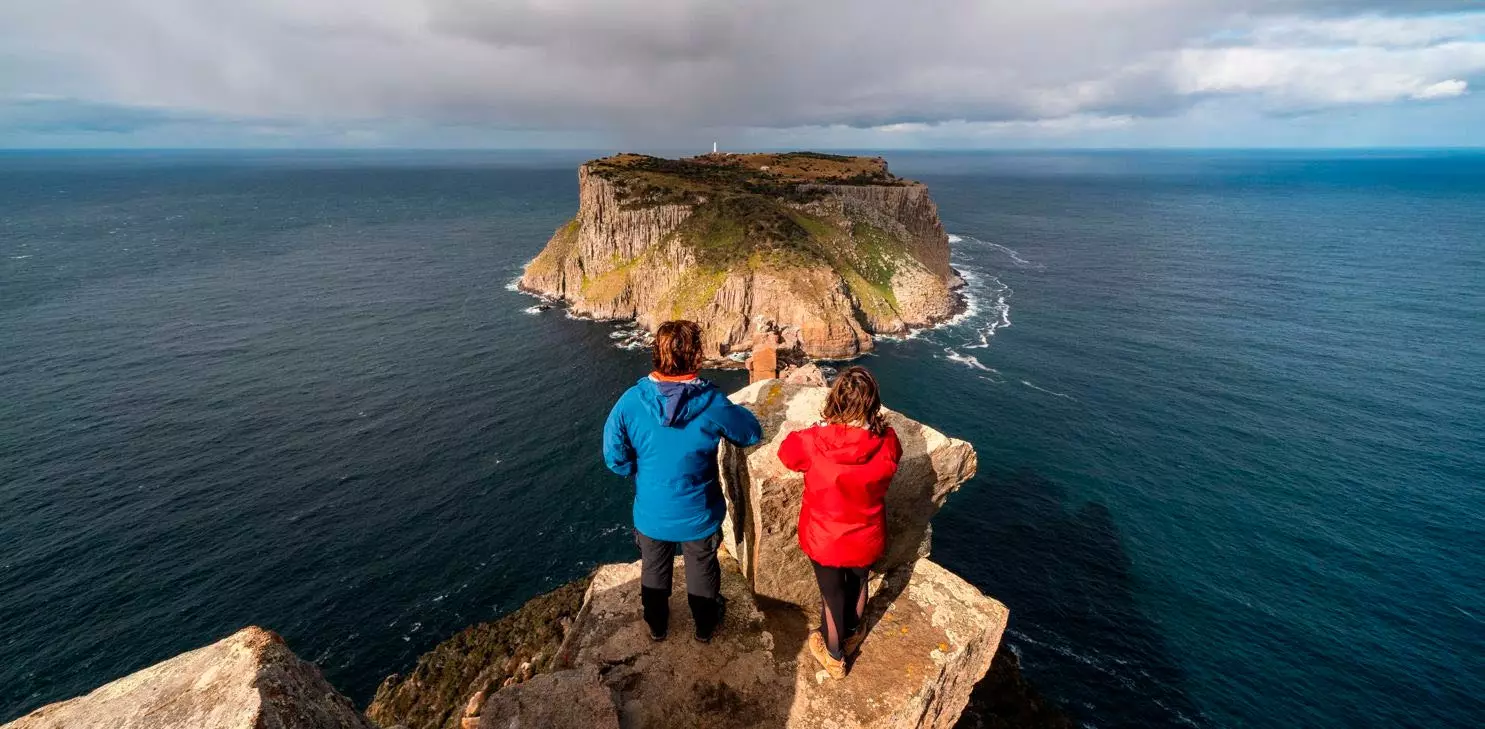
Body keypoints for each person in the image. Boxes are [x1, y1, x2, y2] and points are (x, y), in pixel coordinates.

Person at [602, 320, 763, 643]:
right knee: (702, 569)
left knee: (654, 568)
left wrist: (641, 470)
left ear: (656, 356)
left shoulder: (631, 402)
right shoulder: (711, 402)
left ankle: (657, 625)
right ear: (696, 356)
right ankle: (704, 627)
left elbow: (615, 459)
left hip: (652, 511)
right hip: (699, 512)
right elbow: (750, 433)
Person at [778, 366, 901, 678]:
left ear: (836, 401)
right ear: (872, 404)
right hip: (867, 535)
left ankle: (834, 657)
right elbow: (893, 459)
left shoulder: (815, 440)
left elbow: (786, 453)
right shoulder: (886, 441)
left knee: (831, 594)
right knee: (859, 581)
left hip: (826, 538)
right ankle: (852, 634)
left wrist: (820, 426)